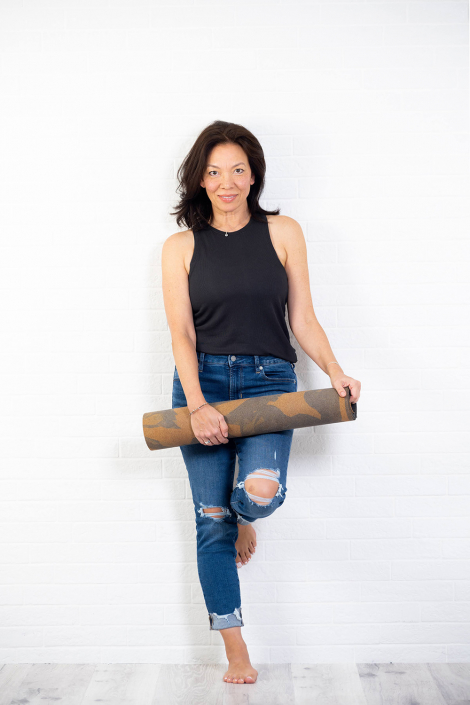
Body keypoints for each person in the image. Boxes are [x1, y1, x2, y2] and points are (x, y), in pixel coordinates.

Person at [162, 120, 361, 684]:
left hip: (270, 382)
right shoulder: (178, 247)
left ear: (254, 174)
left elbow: (302, 318)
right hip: (200, 386)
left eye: (238, 170)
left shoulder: (284, 232)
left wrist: (337, 372)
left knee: (259, 493)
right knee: (209, 523)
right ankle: (236, 651)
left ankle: (245, 515)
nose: (227, 183)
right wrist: (197, 405)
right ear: (200, 180)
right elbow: (181, 333)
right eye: (214, 172)